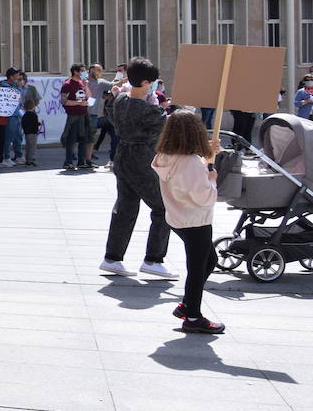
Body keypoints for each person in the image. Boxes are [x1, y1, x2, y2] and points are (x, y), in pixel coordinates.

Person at [100, 57, 177, 280]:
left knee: (125, 208)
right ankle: (153, 259)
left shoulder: (120, 100)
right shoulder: (148, 110)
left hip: (122, 155)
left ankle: (112, 257)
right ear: (144, 82)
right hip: (142, 157)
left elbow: (113, 108)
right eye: (151, 82)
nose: (153, 86)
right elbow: (166, 125)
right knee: (163, 208)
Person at [153, 111, 227, 335]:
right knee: (197, 268)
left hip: (178, 217)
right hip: (196, 219)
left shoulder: (164, 156)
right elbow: (204, 196)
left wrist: (208, 155)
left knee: (208, 260)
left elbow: (186, 174)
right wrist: (212, 179)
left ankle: (188, 304)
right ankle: (193, 316)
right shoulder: (191, 163)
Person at [60, 63, 93, 171]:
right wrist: (78, 103)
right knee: (71, 139)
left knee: (83, 139)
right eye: (82, 71)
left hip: (84, 115)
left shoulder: (82, 83)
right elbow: (64, 101)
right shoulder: (68, 84)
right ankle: (68, 162)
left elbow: (89, 97)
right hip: (74, 116)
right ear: (76, 72)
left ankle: (81, 162)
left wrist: (86, 85)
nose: (85, 73)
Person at [88, 64, 115, 166]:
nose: (100, 72)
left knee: (91, 136)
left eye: (101, 70)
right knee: (84, 136)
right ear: (91, 70)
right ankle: (85, 158)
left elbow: (113, 85)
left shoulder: (100, 82)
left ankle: (88, 158)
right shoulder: (86, 82)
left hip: (94, 114)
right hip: (87, 114)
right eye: (98, 70)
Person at [22, 99, 41, 166]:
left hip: (27, 133)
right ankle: (30, 160)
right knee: (32, 147)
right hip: (33, 133)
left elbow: (23, 124)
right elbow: (35, 123)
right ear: (33, 107)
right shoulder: (34, 115)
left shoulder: (24, 115)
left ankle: (27, 159)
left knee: (28, 147)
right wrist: (38, 124)